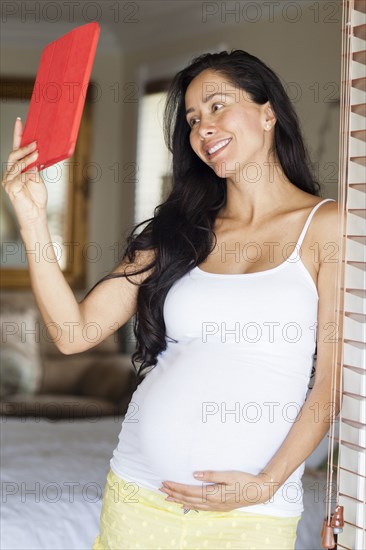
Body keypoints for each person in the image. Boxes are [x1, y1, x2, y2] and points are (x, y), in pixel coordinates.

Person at [2, 50, 340, 550]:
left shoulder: (328, 228)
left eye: (218, 106)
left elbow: (331, 384)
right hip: (137, 494)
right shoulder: (178, 232)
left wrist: (266, 483)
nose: (203, 127)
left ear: (268, 113)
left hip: (252, 510)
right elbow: (74, 334)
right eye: (192, 119)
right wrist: (32, 222)